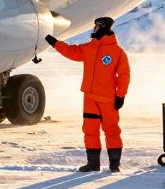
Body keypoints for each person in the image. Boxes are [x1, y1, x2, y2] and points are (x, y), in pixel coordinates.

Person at [44, 16, 130, 173]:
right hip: (89, 98)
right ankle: (93, 164)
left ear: (103, 27)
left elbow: (124, 75)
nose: (94, 29)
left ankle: (114, 165)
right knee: (90, 131)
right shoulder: (89, 48)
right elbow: (72, 52)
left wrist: (120, 96)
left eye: (96, 26)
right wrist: (55, 43)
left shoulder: (117, 52)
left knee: (111, 130)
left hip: (107, 99)